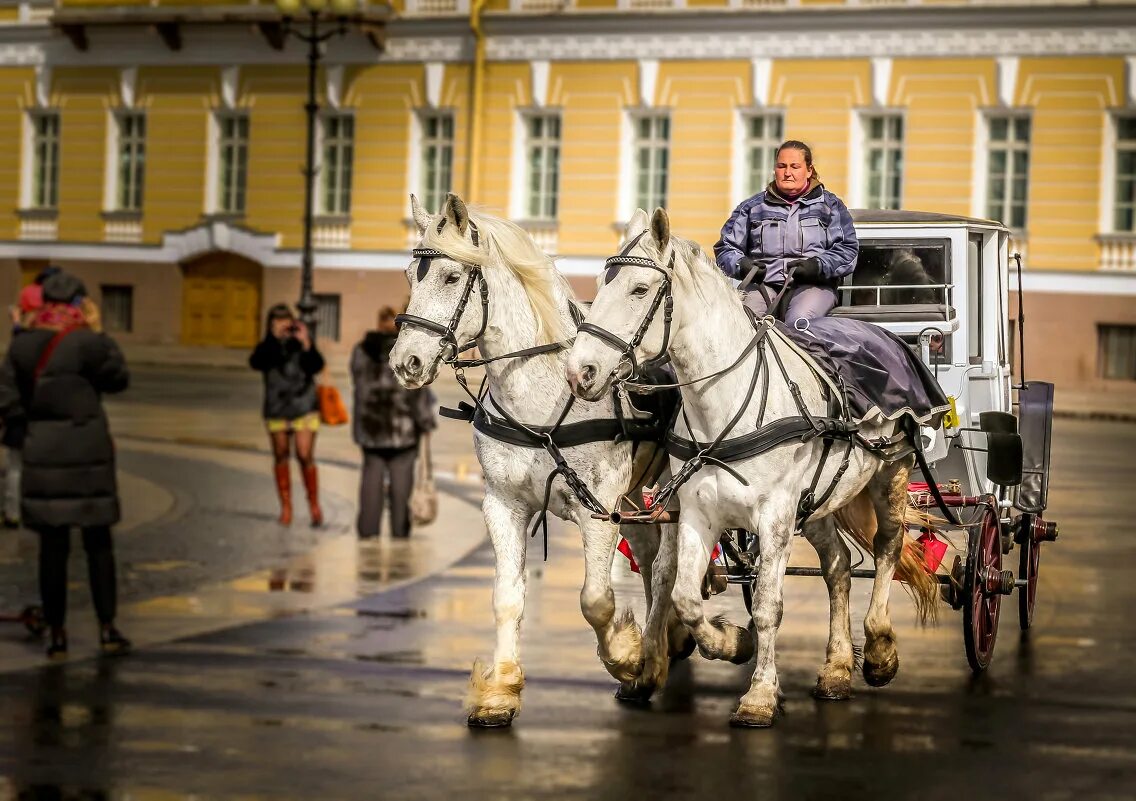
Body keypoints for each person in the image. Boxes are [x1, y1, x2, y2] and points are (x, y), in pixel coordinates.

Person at [0, 270, 131, 658]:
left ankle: (57, 634)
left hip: (44, 454)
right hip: (89, 454)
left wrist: (31, 425)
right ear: (81, 304)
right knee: (98, 545)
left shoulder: (22, 347)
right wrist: (99, 334)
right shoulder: (92, 344)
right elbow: (119, 380)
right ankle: (107, 628)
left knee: (52, 550)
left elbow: (5, 398)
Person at [714, 139, 859, 326]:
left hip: (813, 286)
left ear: (809, 170)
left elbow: (848, 250)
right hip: (762, 286)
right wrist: (742, 266)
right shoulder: (752, 207)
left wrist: (817, 266)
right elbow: (725, 249)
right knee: (743, 324)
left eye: (795, 166)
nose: (787, 173)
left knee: (799, 325)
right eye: (782, 166)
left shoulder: (831, 206)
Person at [350, 306, 436, 539]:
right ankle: (399, 531)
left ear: (378, 323)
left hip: (371, 430)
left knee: (370, 481)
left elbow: (359, 384)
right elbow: (416, 393)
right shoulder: (405, 351)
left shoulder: (361, 351)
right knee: (400, 487)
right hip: (402, 430)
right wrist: (426, 422)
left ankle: (368, 532)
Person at [249, 304, 325, 527]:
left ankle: (314, 505)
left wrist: (306, 342)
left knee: (304, 454)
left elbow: (316, 365)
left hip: (304, 405)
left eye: (286, 320)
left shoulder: (301, 342)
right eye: (277, 321)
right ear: (270, 324)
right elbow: (256, 363)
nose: (283, 325)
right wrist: (274, 339)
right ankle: (286, 507)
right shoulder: (267, 347)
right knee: (281, 454)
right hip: (277, 408)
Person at [1, 265, 60, 528]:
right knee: (47, 465)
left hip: (20, 411)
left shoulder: (22, 341)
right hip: (48, 411)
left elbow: (9, 375)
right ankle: (46, 510)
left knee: (15, 465)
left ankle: (12, 512)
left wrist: (7, 409)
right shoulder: (61, 336)